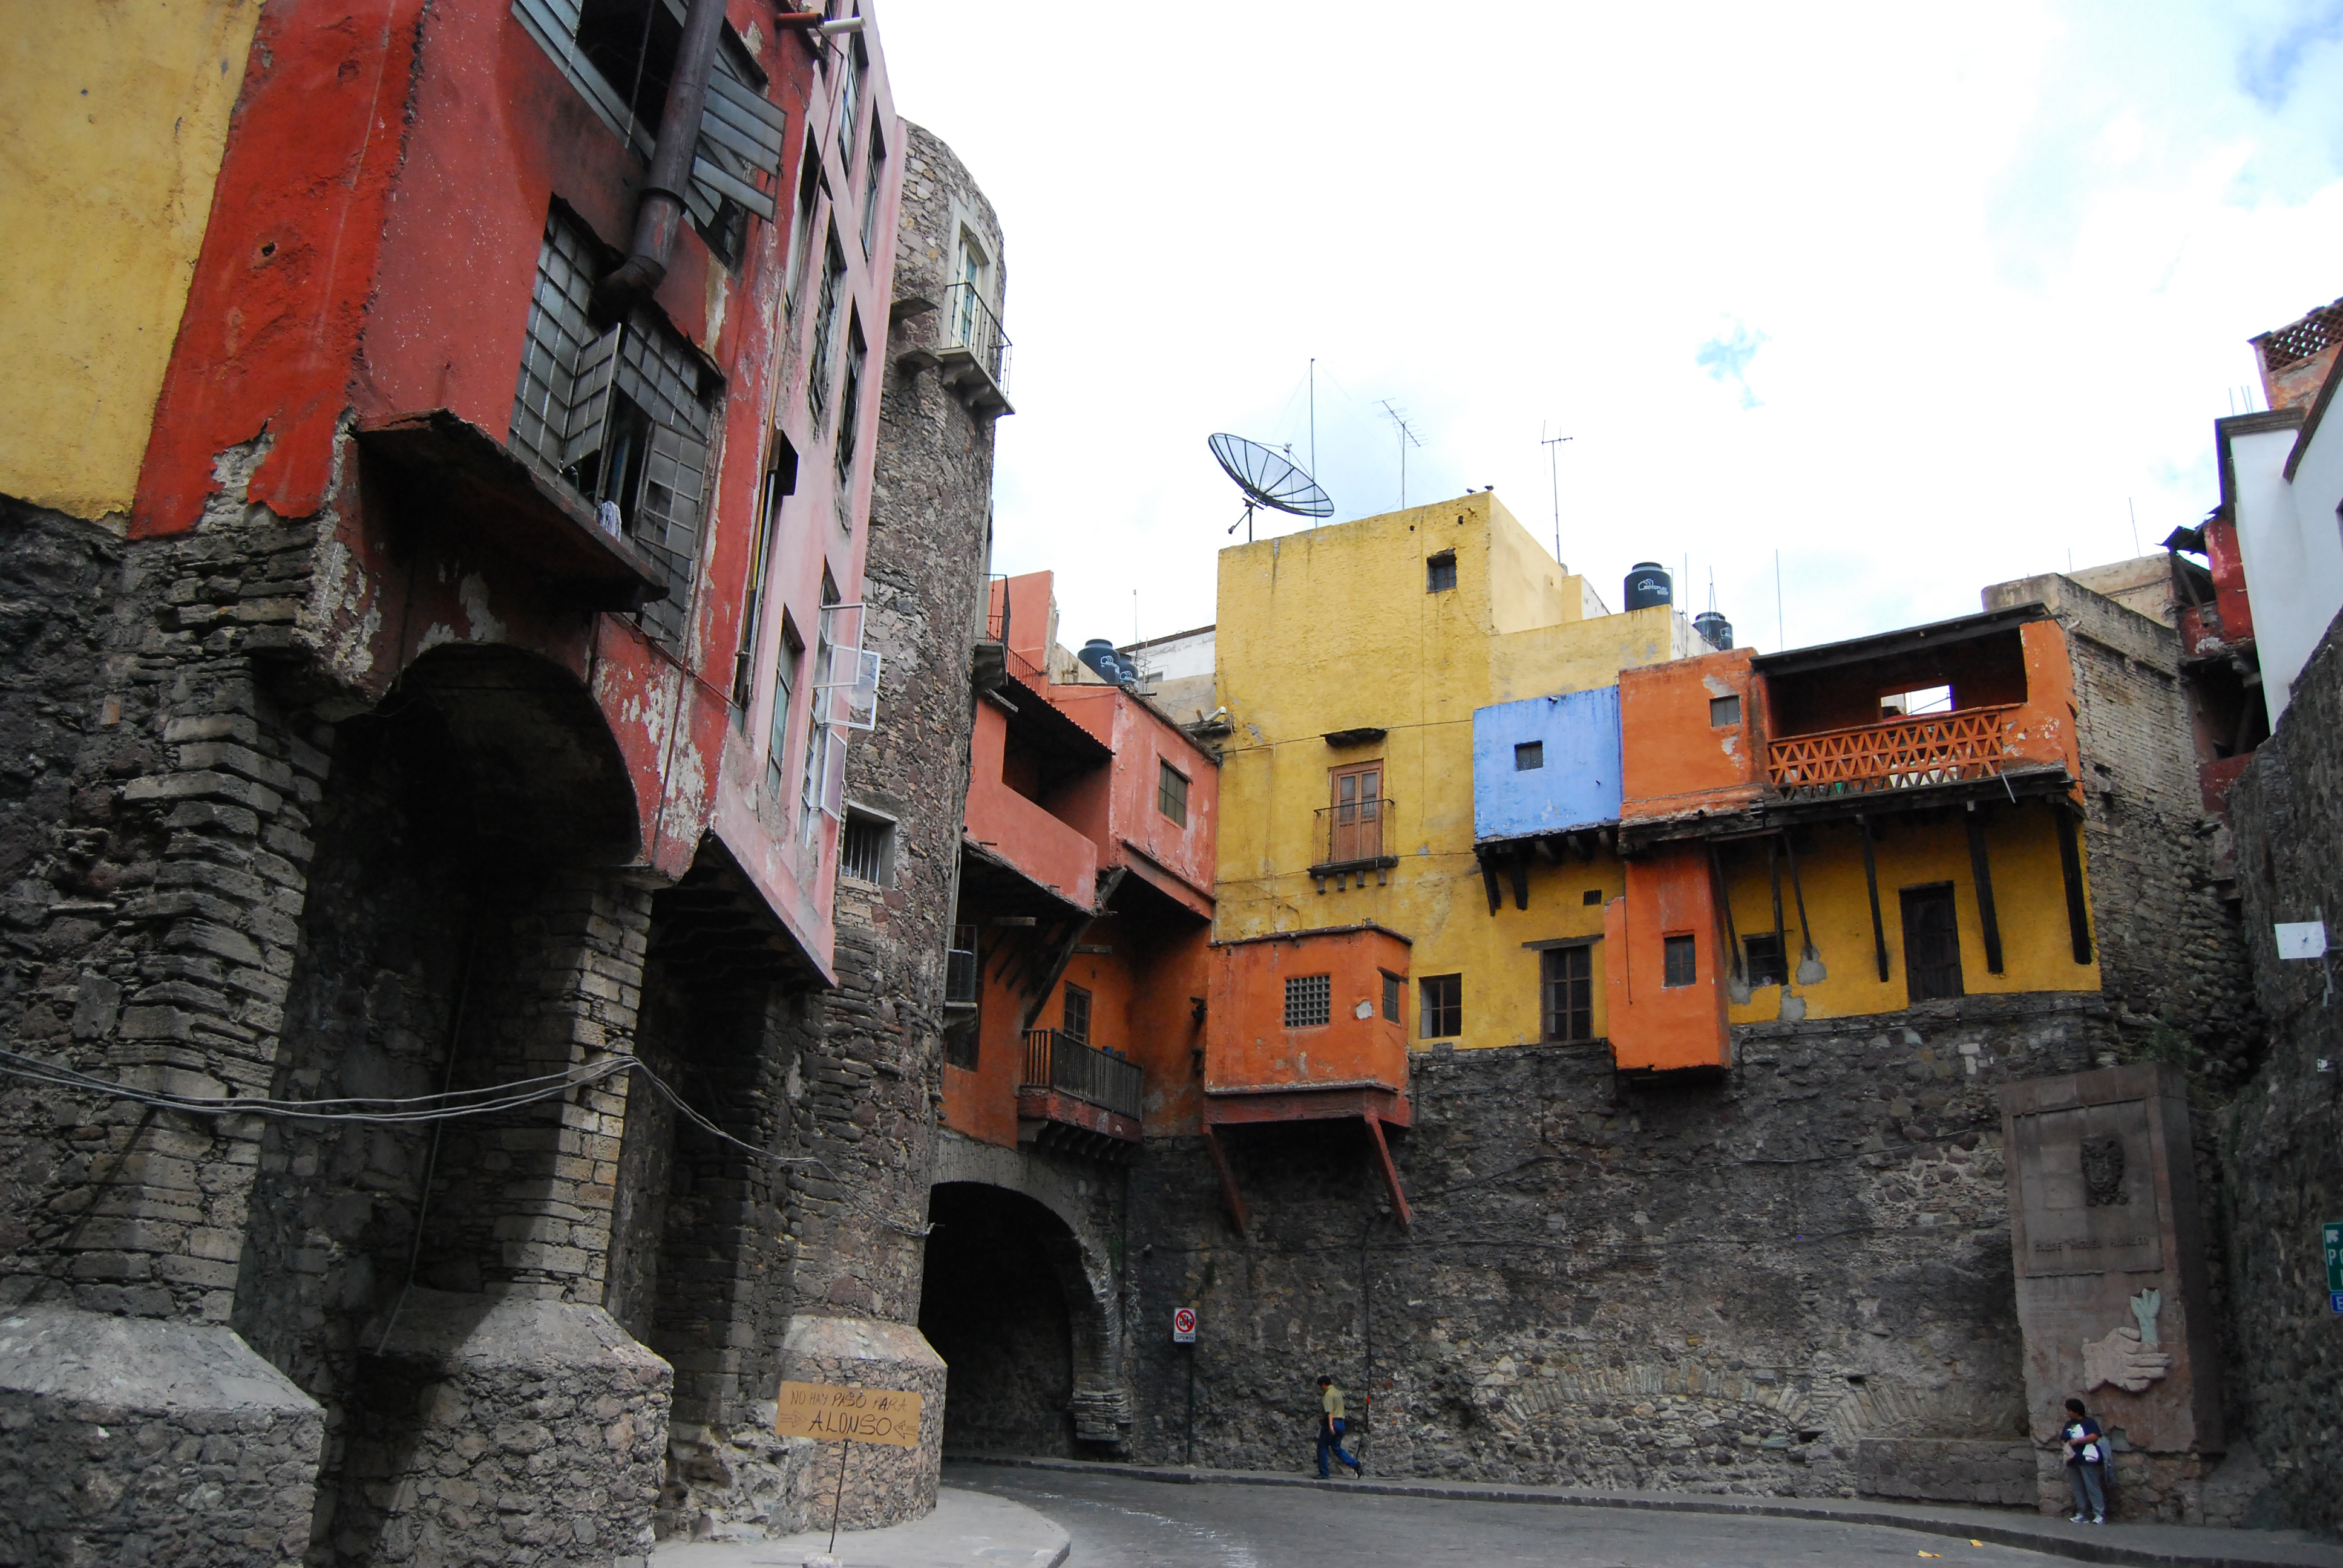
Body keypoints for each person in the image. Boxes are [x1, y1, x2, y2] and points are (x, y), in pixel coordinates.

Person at [2060, 1397, 2106, 1524]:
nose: (2068, 1413)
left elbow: (2094, 1436)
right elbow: (2063, 1438)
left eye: (2070, 1411)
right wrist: (2066, 1446)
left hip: (2087, 1459)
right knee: (2078, 1488)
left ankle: (2099, 1513)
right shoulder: (2069, 1424)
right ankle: (2082, 1513)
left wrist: (2079, 1441)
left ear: (2076, 1411)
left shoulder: (2088, 1422)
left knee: (2092, 1486)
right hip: (2073, 1459)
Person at [1316, 1375, 1363, 1479]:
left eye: (1320, 1386)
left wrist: (1330, 1426)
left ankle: (1324, 1473)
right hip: (1341, 1423)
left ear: (1324, 1384)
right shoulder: (1338, 1392)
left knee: (1322, 1447)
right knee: (1337, 1448)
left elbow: (1330, 1412)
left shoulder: (1328, 1395)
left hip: (1333, 1423)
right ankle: (1355, 1464)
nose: (1321, 1389)